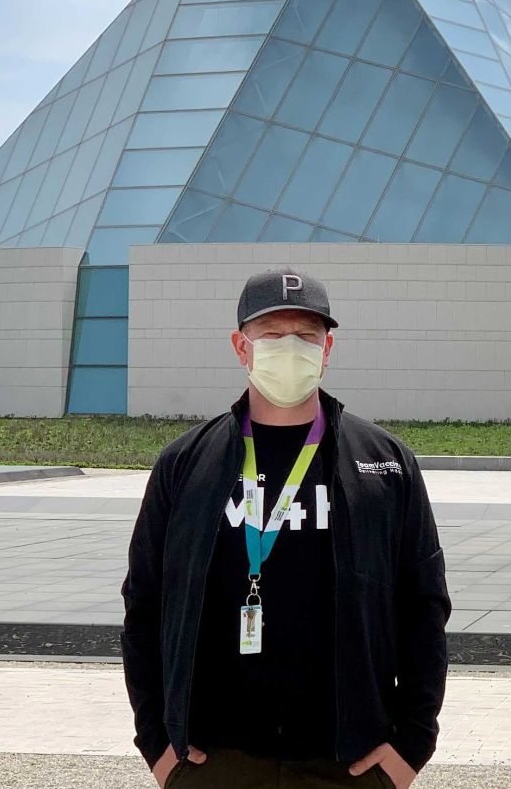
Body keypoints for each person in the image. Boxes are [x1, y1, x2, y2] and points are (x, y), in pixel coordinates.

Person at [121, 269, 451, 789]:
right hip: (213, 759)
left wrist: (411, 746)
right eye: (272, 335)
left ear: (328, 347)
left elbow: (424, 607)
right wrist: (157, 745)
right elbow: (144, 606)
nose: (290, 348)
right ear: (241, 346)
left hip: (350, 760)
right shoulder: (185, 463)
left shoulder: (384, 463)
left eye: (306, 335)